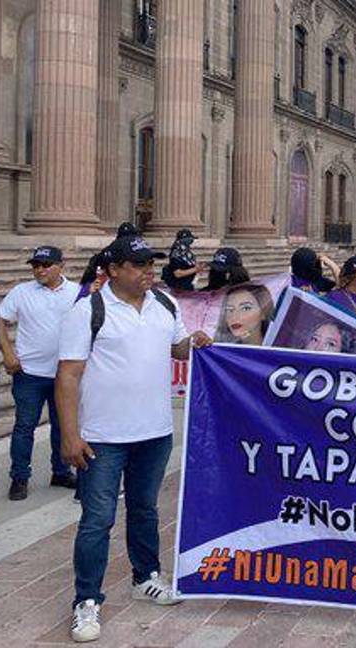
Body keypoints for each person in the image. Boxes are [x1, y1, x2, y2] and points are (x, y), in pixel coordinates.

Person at [56, 236, 213, 642]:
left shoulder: (164, 304)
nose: (148, 271)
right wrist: (70, 435)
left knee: (144, 510)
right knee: (97, 520)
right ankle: (86, 600)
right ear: (113, 270)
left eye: (149, 264)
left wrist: (192, 343)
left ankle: (146, 578)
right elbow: (68, 375)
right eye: (138, 265)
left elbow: (176, 350)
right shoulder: (87, 312)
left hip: (155, 432)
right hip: (103, 437)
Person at [0, 245, 79, 501]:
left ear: (60, 266)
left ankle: (61, 471)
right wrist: (8, 354)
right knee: (24, 427)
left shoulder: (77, 293)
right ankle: (19, 476)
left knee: (62, 426)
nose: (40, 270)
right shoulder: (21, 292)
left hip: (63, 374)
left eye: (45, 265)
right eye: (36, 266)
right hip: (29, 374)